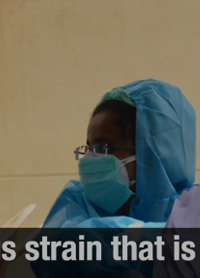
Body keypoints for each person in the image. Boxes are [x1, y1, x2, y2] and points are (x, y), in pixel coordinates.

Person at [42, 79, 195, 229]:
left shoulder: (193, 210)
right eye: (89, 147)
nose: (89, 158)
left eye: (102, 148)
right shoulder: (77, 202)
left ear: (150, 153)